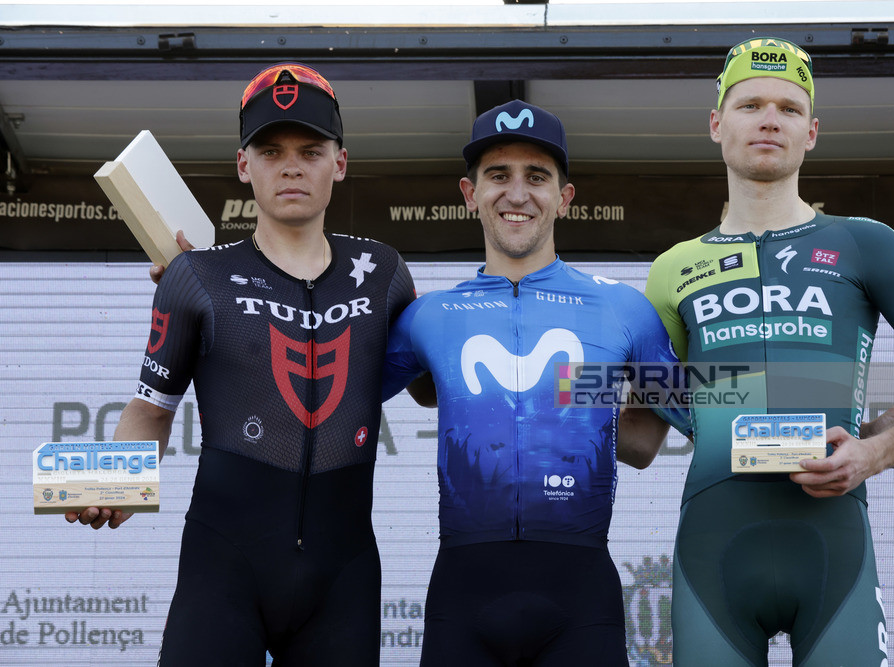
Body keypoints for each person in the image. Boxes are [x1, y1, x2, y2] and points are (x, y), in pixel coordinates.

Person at [643, 37, 894, 665]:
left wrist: (876, 450)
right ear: (718, 125)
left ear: (811, 133)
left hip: (832, 548)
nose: (770, 118)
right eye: (750, 104)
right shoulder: (672, 269)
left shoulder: (866, 243)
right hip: (714, 550)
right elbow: (675, 409)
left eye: (789, 107)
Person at [65, 62, 415, 665]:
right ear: (243, 165)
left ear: (341, 162)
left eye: (311, 149)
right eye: (271, 149)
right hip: (223, 569)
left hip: (344, 579)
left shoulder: (383, 273)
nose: (291, 165)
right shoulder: (197, 277)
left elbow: (435, 388)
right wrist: (110, 486)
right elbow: (151, 410)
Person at [382, 100, 690, 666]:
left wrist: (854, 436)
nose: (517, 194)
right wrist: (198, 300)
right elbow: (316, 400)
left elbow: (708, 414)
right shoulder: (428, 316)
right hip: (462, 590)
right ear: (469, 193)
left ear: (565, 198)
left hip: (579, 594)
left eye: (537, 177)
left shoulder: (623, 309)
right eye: (498, 175)